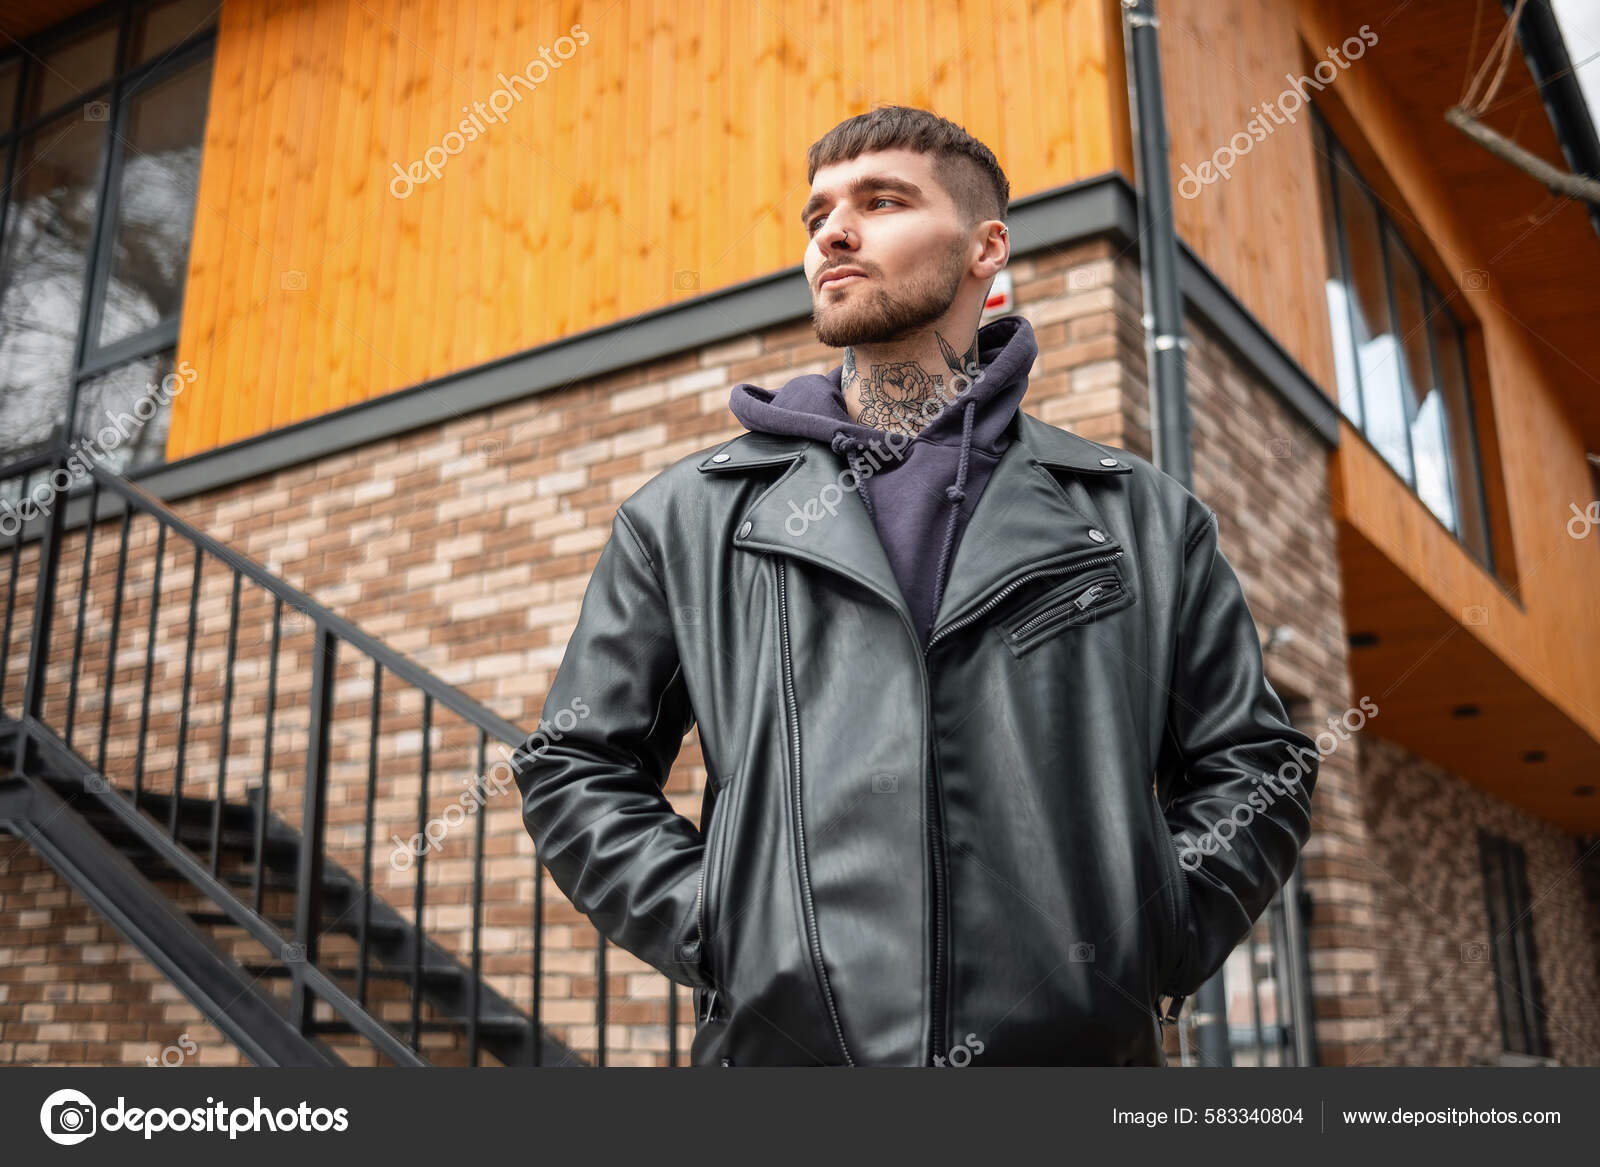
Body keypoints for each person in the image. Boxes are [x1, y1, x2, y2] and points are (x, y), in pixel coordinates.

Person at [512, 105, 1318, 1066]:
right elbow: (573, 765)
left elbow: (1256, 765)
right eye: (817, 217)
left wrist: (1152, 935)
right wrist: (728, 925)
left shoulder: (1146, 519)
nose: (833, 233)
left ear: (988, 248)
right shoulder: (685, 519)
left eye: (882, 200)